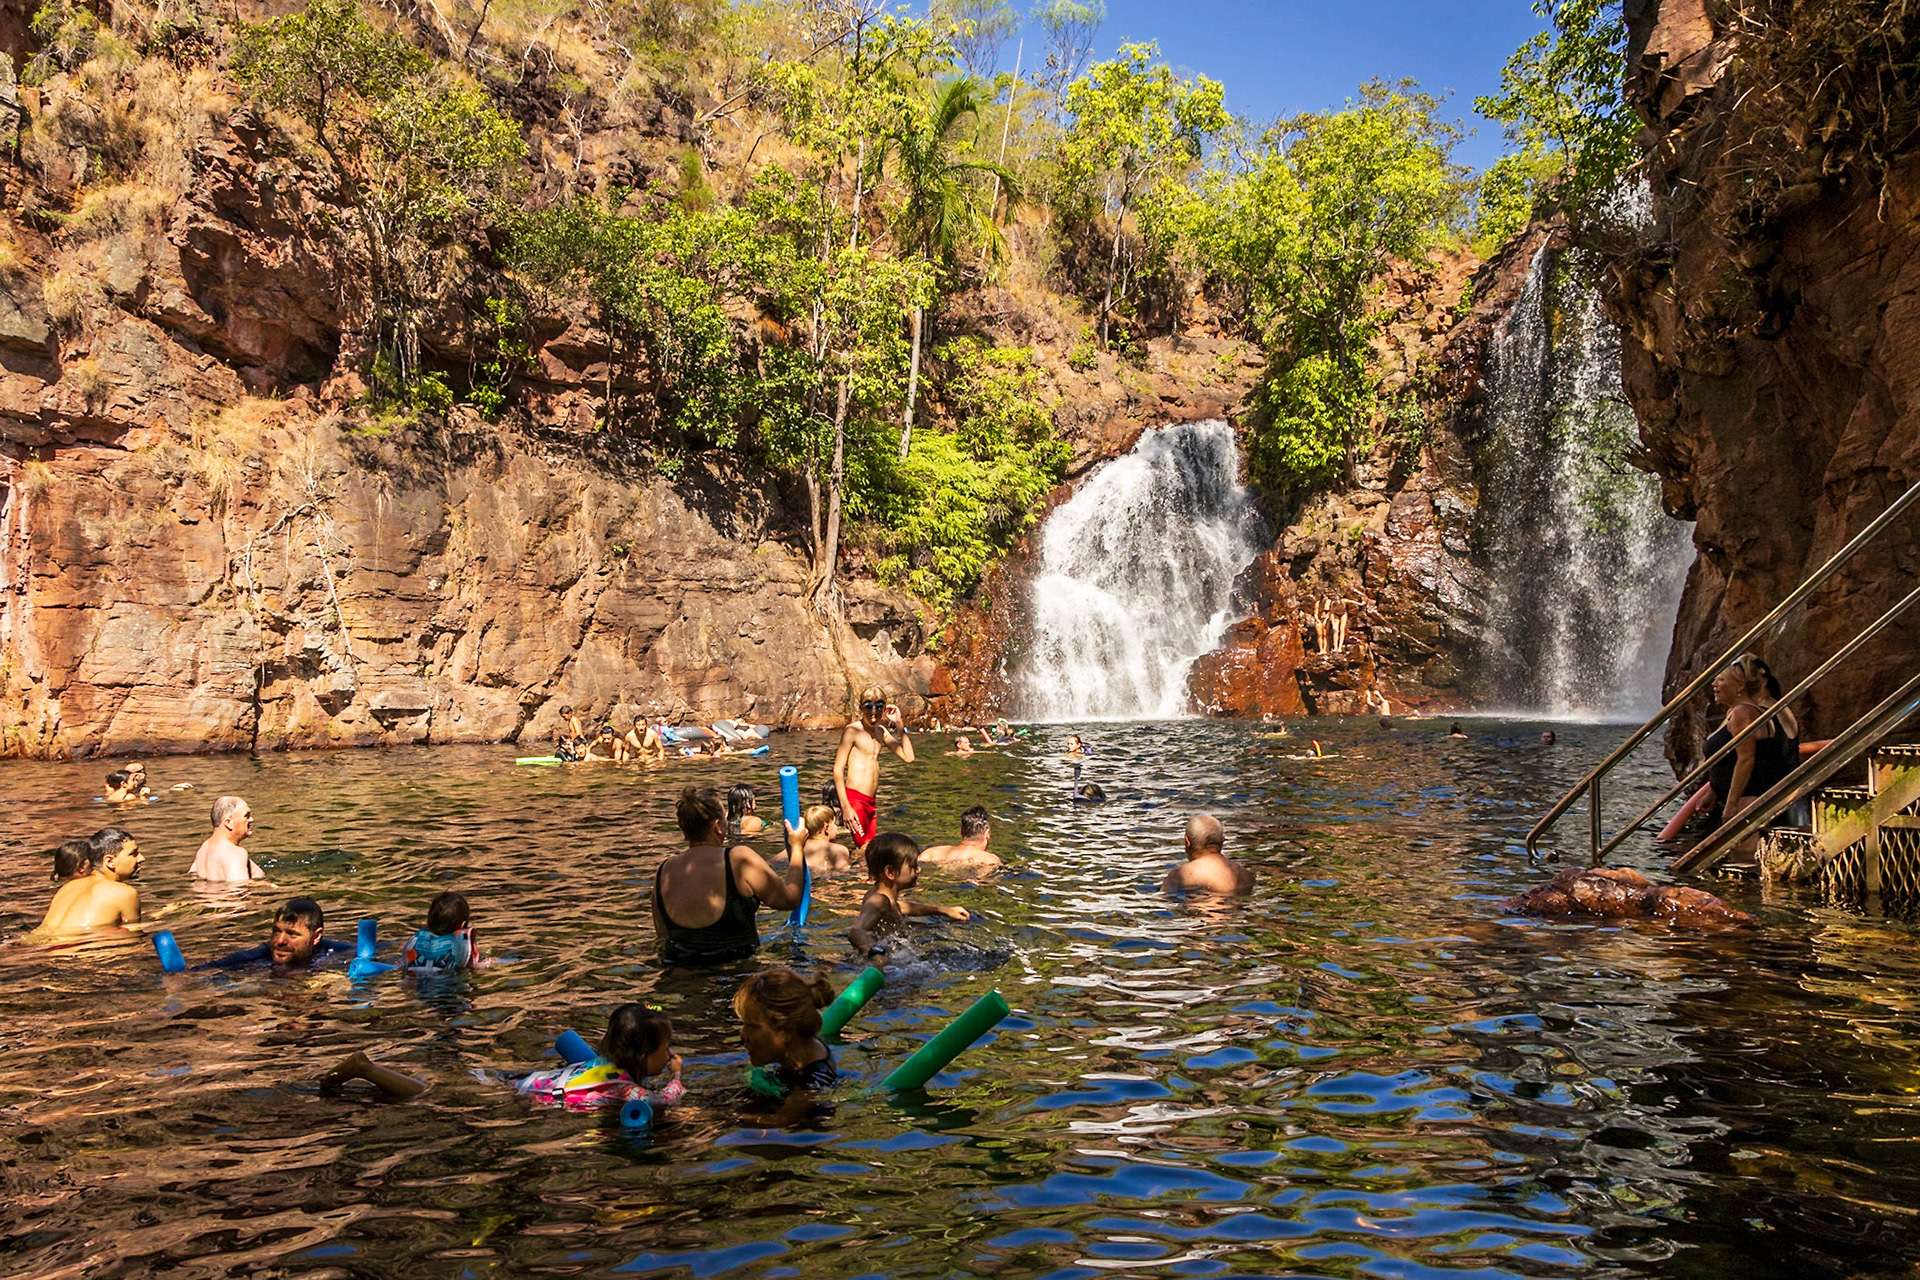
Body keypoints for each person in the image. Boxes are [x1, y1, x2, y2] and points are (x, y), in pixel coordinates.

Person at [652, 787, 807, 965]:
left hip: (684, 979)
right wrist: (796, 848)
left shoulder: (664, 871)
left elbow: (662, 938)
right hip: (737, 977)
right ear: (717, 826)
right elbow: (790, 899)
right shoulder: (738, 859)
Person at [515, 1005, 685, 1112]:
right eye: (665, 1049)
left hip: (530, 1083)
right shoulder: (625, 1090)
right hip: (536, 1100)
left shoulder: (605, 1064)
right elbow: (666, 1100)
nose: (669, 1054)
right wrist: (675, 1075)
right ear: (643, 1056)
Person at [1704, 653, 1799, 827]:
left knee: (1746, 853)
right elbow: (1728, 758)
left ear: (1739, 686)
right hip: (1740, 799)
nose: (1714, 684)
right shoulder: (1735, 712)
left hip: (1747, 800)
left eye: (1721, 680)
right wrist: (1712, 792)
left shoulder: (1744, 713)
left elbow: (1746, 758)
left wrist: (1732, 804)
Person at [848, 833, 971, 961]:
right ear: (890, 872)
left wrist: (944, 910)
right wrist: (878, 955)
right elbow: (856, 931)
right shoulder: (878, 900)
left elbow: (902, 907)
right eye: (913, 866)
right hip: (885, 965)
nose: (918, 870)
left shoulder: (884, 898)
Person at [834, 686, 915, 849]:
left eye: (878, 708)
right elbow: (837, 769)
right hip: (855, 801)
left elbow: (909, 757)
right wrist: (846, 807)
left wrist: (899, 724)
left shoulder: (882, 732)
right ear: (860, 707)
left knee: (868, 850)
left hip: (871, 802)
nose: (873, 713)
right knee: (866, 849)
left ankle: (854, 873)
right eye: (868, 707)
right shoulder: (852, 731)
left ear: (884, 709)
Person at [734, 969, 837, 1093]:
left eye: (751, 1027)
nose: (743, 1036)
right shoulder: (807, 1043)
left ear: (785, 1032)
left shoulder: (805, 1094)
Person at [200, 898, 353, 970]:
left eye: (292, 935)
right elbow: (211, 969)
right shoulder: (260, 956)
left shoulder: (335, 952)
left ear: (316, 937)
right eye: (276, 931)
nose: (280, 941)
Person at [40, 828, 142, 933]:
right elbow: (132, 936)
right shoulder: (125, 893)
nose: (141, 858)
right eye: (133, 854)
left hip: (39, 944)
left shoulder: (68, 887)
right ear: (110, 861)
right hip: (75, 946)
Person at [1162, 813, 1254, 896]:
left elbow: (1165, 899)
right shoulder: (1246, 876)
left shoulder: (1181, 874)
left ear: (1187, 842)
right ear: (1222, 841)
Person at [190, 795, 265, 882]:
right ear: (229, 823)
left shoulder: (203, 849)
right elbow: (237, 888)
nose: (251, 819)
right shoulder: (234, 853)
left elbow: (193, 876)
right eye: (246, 816)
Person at [404, 890, 481, 970]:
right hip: (449, 980)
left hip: (417, 980)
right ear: (463, 925)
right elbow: (474, 966)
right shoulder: (460, 945)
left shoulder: (415, 942)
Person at [918, 806, 1003, 876]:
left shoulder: (931, 853)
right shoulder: (989, 860)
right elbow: (981, 881)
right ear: (987, 834)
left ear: (961, 831)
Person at [800, 805, 853, 874]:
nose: (836, 827)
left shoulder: (791, 850)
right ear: (826, 828)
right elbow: (844, 874)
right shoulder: (838, 850)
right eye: (834, 824)